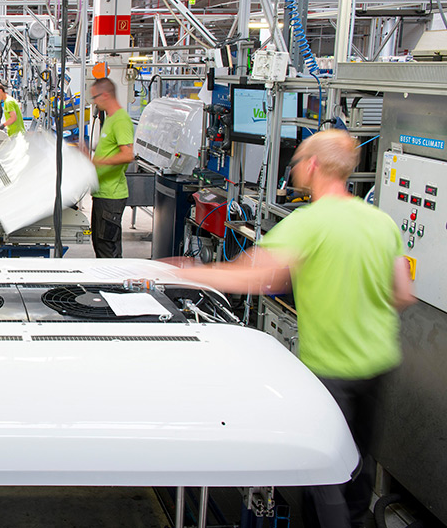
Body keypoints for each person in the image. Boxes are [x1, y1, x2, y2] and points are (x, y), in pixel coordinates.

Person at [172, 130, 413, 528]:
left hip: (330, 369)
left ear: (314, 166)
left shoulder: (310, 222)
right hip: (378, 365)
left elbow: (252, 277)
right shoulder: (381, 221)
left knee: (322, 480)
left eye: (299, 160)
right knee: (355, 465)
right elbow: (403, 294)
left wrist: (181, 271)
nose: (296, 167)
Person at [87, 77, 134, 258]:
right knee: (100, 246)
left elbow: (127, 155)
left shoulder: (121, 120)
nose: (94, 102)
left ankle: (113, 286)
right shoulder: (110, 119)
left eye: (95, 98)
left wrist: (98, 162)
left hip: (112, 197)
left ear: (105, 95)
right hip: (102, 194)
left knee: (108, 251)